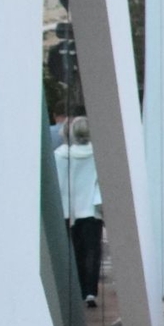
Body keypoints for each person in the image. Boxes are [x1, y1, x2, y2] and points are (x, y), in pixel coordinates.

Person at [53, 116, 102, 307]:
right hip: (91, 210)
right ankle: (90, 290)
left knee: (74, 251)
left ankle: (76, 288)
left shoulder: (61, 155)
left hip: (69, 210)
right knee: (92, 251)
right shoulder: (97, 155)